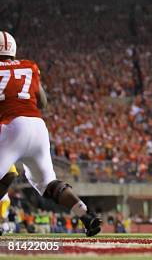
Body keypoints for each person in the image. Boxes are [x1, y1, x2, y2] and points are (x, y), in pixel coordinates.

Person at [0, 31, 101, 237]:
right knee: (48, 183)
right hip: (37, 127)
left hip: (10, 127)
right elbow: (43, 102)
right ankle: (84, 213)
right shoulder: (29, 66)